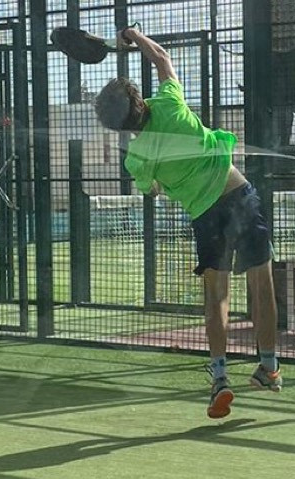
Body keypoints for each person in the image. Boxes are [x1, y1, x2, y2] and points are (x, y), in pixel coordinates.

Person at [94, 26, 280, 418]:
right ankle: (269, 367)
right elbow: (162, 58)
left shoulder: (137, 159)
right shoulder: (170, 104)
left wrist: (167, 175)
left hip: (206, 216)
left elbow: (153, 189)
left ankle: (220, 378)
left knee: (217, 298)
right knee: (261, 286)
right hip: (239, 196)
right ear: (138, 99)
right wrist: (134, 35)